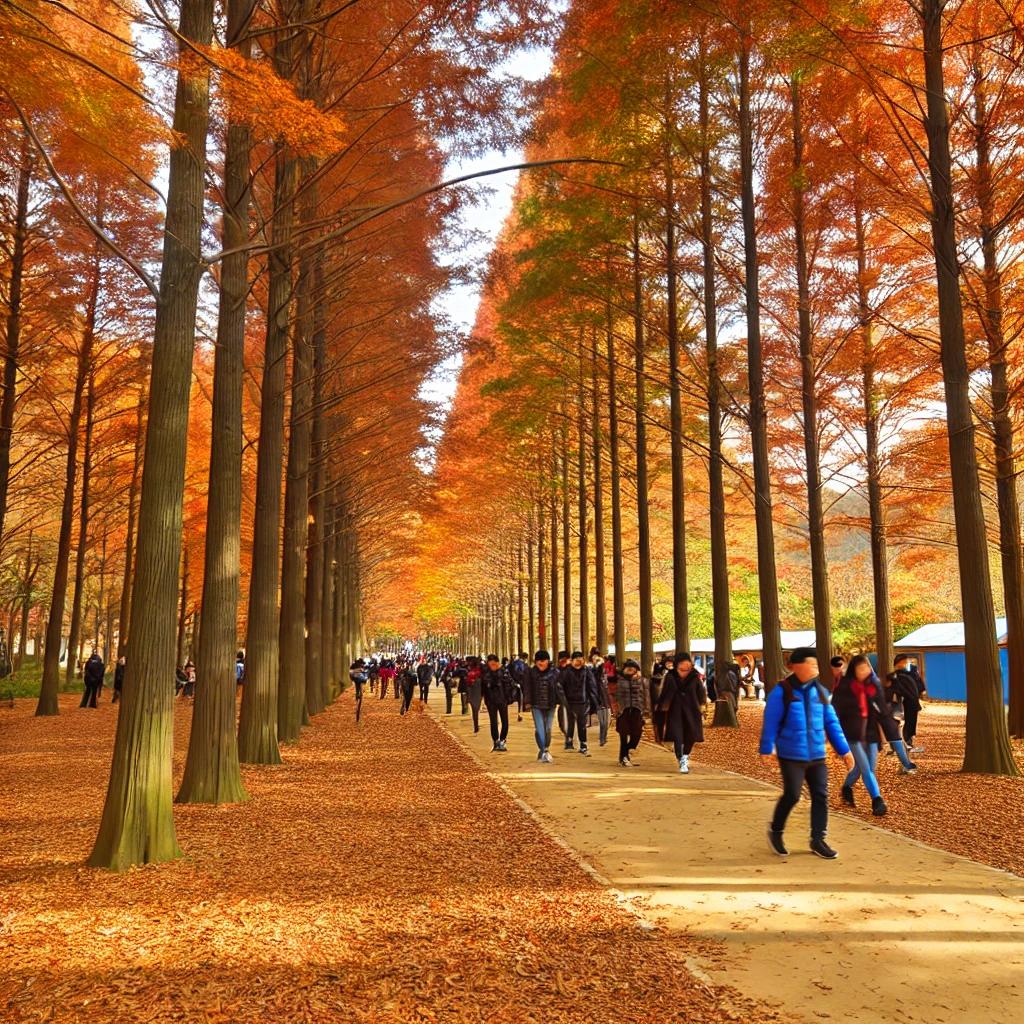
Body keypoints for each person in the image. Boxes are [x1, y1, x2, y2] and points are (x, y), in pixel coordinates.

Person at [759, 647, 854, 860]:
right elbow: (771, 721)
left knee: (821, 796)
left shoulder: (820, 691)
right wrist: (767, 748)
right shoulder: (782, 691)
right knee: (792, 795)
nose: (815, 669)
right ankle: (776, 830)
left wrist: (844, 750)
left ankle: (818, 839)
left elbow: (831, 722)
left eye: (816, 665)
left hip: (817, 754)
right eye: (810, 664)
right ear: (796, 666)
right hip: (791, 754)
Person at [831, 655, 891, 816]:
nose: (864, 671)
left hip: (871, 732)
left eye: (866, 667)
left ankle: (846, 788)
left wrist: (891, 733)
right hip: (852, 732)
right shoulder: (845, 685)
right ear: (854, 670)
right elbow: (834, 709)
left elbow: (883, 710)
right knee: (865, 768)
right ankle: (877, 801)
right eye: (860, 668)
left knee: (866, 768)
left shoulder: (874, 684)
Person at [658, 653, 706, 774]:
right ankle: (681, 758)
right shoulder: (670, 676)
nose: (686, 666)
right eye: (683, 664)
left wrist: (703, 706)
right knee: (677, 735)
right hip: (675, 710)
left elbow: (701, 692)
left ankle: (685, 755)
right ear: (677, 664)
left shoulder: (695, 676)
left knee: (691, 735)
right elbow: (665, 692)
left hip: (692, 709)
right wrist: (663, 705)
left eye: (688, 663)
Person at [522, 650, 563, 763]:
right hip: (536, 705)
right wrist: (527, 702)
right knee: (540, 728)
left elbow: (559, 688)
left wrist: (561, 701)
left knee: (548, 729)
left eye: (543, 661)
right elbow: (527, 688)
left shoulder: (555, 672)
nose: (541, 663)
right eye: (538, 661)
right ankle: (544, 750)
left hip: (551, 704)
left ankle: (545, 748)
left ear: (548, 661)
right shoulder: (530, 672)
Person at [558, 650, 599, 756]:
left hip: (583, 701)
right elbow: (560, 685)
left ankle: (583, 744)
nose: (579, 662)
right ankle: (569, 740)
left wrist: (595, 700)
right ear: (572, 661)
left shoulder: (586, 671)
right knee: (570, 722)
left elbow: (592, 685)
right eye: (577, 660)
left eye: (581, 660)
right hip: (569, 702)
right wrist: (563, 699)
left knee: (582, 724)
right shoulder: (567, 671)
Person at [615, 658, 650, 767]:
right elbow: (613, 695)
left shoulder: (642, 681)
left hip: (637, 710)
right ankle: (624, 757)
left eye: (632, 668)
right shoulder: (618, 680)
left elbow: (646, 696)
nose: (630, 669)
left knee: (637, 733)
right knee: (623, 735)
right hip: (623, 711)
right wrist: (615, 709)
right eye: (628, 668)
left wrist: (647, 710)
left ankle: (628, 750)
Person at [888, 655, 926, 753]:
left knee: (911, 722)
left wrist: (921, 693)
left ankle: (908, 742)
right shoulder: (895, 675)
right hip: (902, 701)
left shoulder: (912, 671)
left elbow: (919, 684)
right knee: (901, 723)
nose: (905, 663)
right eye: (903, 661)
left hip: (912, 701)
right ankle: (900, 745)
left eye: (906, 661)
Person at [481, 654, 512, 751]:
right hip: (490, 700)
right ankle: (495, 741)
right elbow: (485, 684)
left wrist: (500, 671)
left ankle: (502, 740)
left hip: (502, 699)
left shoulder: (504, 671)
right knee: (493, 722)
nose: (492, 666)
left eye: (494, 664)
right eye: (490, 664)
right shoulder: (486, 671)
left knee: (505, 721)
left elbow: (509, 684)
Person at [590, 648, 612, 746]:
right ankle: (602, 738)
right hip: (598, 697)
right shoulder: (591, 669)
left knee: (606, 720)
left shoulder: (601, 668)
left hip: (604, 696)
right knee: (603, 720)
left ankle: (603, 737)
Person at [465, 657, 483, 733]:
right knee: (476, 709)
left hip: (473, 691)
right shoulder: (480, 671)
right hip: (478, 691)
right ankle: (476, 725)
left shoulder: (471, 672)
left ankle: (476, 725)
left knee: (474, 710)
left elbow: (468, 682)